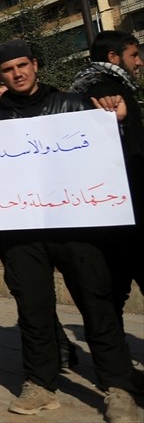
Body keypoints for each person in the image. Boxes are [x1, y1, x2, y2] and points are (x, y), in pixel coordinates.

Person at [0, 39, 139, 421]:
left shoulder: (74, 105)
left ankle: (118, 389)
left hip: (78, 230)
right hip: (21, 235)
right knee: (33, 309)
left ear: (36, 65)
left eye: (23, 65)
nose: (17, 74)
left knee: (97, 305)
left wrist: (114, 120)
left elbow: (106, 156)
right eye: (8, 69)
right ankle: (40, 384)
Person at [69, 30, 144, 325]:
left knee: (113, 290)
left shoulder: (96, 86)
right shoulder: (105, 90)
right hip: (125, 206)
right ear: (114, 58)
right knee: (113, 289)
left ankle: (114, 359)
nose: (139, 62)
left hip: (118, 209)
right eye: (134, 55)